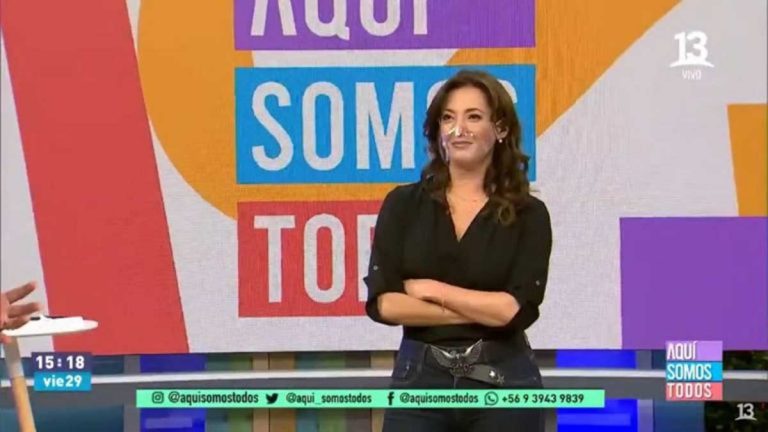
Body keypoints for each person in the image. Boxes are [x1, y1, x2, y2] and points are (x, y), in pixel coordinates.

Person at [364, 69, 552, 431]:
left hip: (504, 380)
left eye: (473, 117)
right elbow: (385, 304)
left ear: (500, 129)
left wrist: (433, 290)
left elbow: (514, 309)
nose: (458, 129)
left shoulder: (529, 214)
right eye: (448, 118)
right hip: (420, 380)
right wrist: (483, 310)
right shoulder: (403, 204)